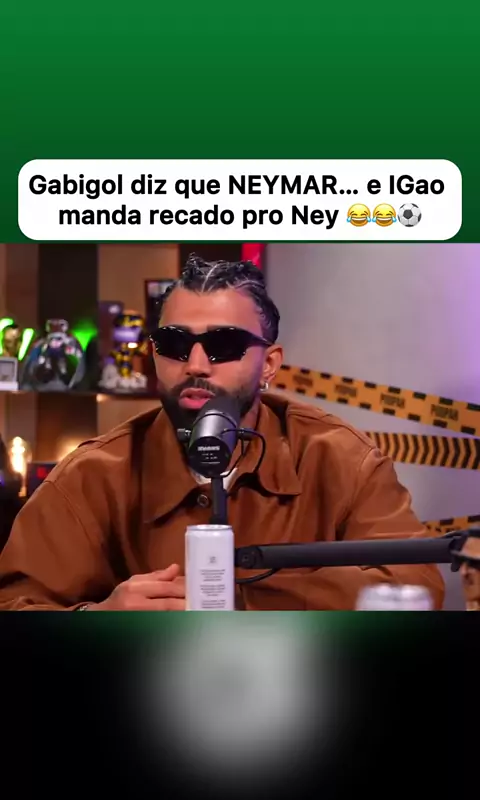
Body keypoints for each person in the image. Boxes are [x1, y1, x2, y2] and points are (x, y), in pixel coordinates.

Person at [0, 254, 445, 611]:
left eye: (223, 345)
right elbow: (15, 603)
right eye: (175, 344)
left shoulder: (341, 458)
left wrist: (236, 596)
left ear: (269, 364)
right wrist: (99, 618)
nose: (195, 365)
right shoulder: (92, 474)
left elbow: (415, 585)